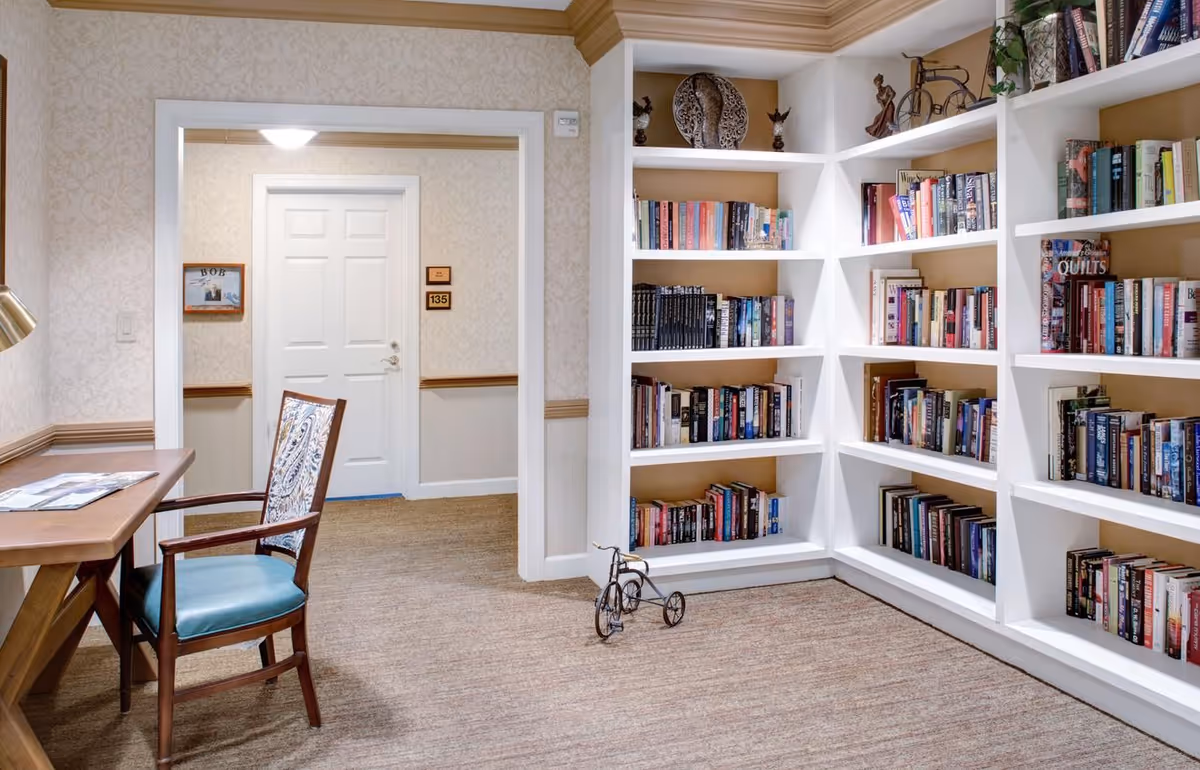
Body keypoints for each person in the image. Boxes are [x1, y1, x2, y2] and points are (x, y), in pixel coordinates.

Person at [865, 74, 896, 139]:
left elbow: (893, 94)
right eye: (876, 84)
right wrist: (884, 109)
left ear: (881, 83)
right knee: (877, 118)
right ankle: (880, 132)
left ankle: (891, 133)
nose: (877, 86)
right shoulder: (878, 95)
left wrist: (887, 105)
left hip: (890, 107)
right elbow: (882, 105)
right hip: (885, 109)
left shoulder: (887, 88)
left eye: (878, 83)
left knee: (889, 121)